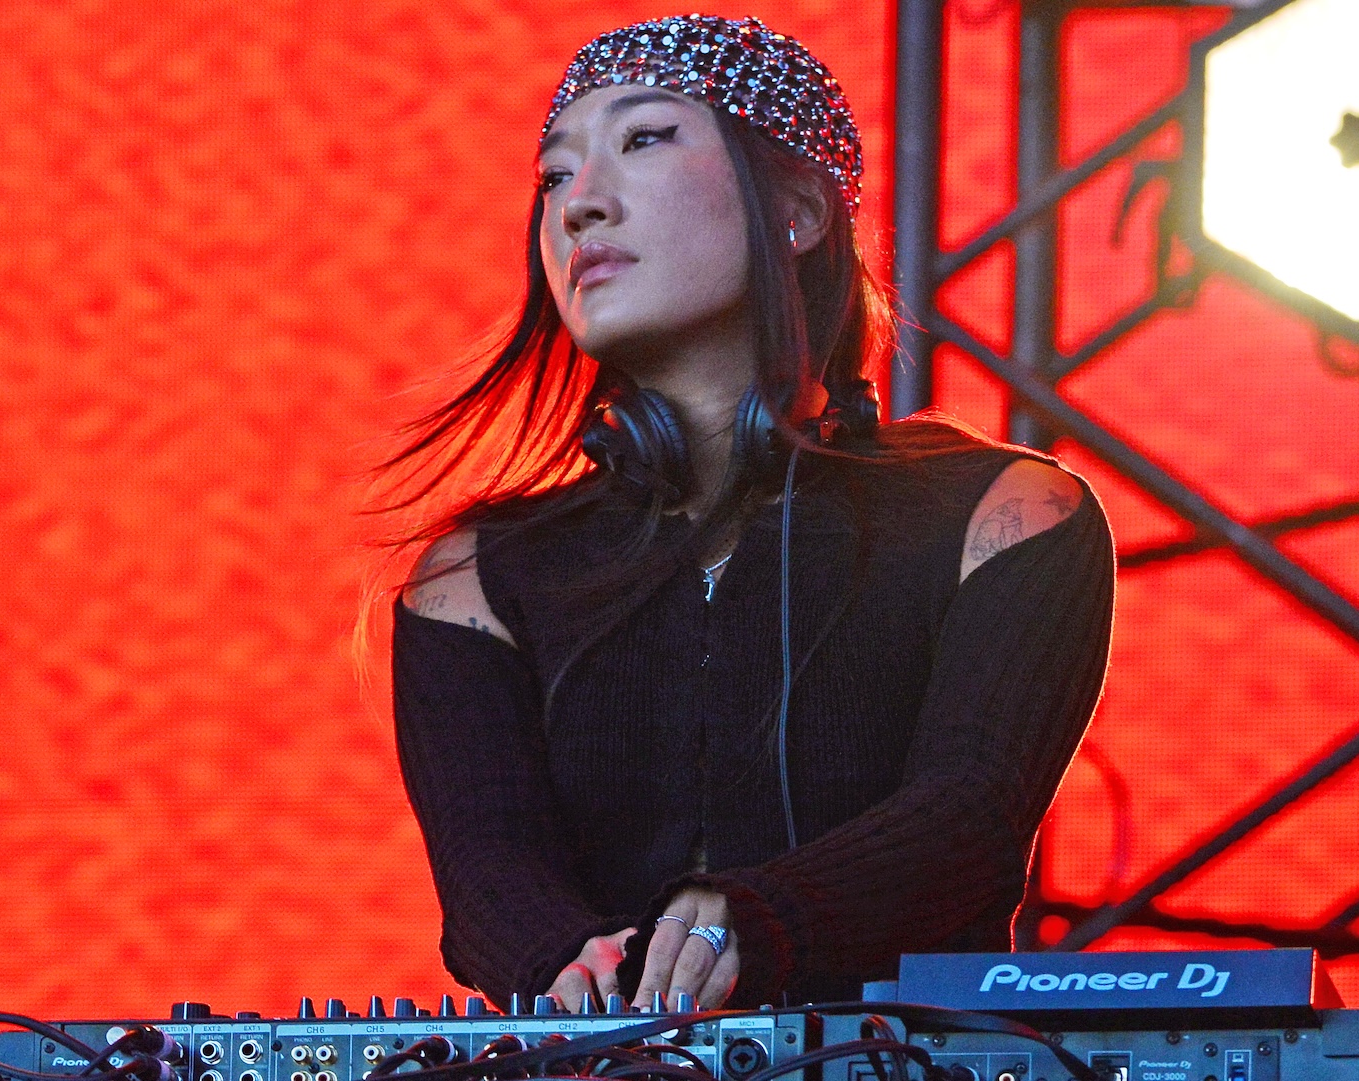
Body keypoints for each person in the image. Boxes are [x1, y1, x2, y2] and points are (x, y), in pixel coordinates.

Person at [383, 14, 1115, 1014]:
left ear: (799, 208)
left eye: (643, 139)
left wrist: (759, 919)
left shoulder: (1006, 516)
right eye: (554, 176)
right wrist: (561, 965)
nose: (578, 207)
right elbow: (487, 869)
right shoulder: (474, 576)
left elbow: (969, 815)